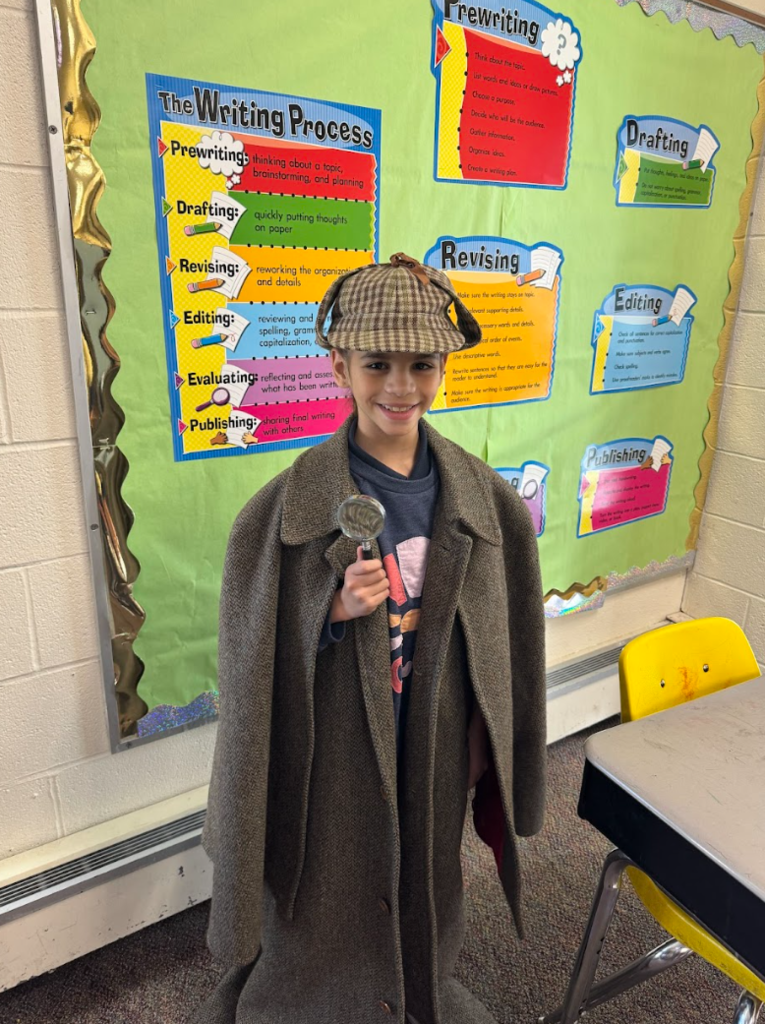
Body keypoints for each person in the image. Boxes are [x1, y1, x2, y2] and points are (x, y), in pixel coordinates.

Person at [191, 253, 547, 1024]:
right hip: (334, 752)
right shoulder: (282, 511)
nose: (399, 386)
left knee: (426, 873)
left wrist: (486, 737)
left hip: (435, 737)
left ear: (444, 364)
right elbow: (249, 663)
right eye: (376, 363)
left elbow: (501, 641)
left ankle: (415, 992)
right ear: (338, 365)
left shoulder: (483, 501)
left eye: (421, 364)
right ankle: (305, 1001)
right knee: (323, 888)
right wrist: (328, 611)